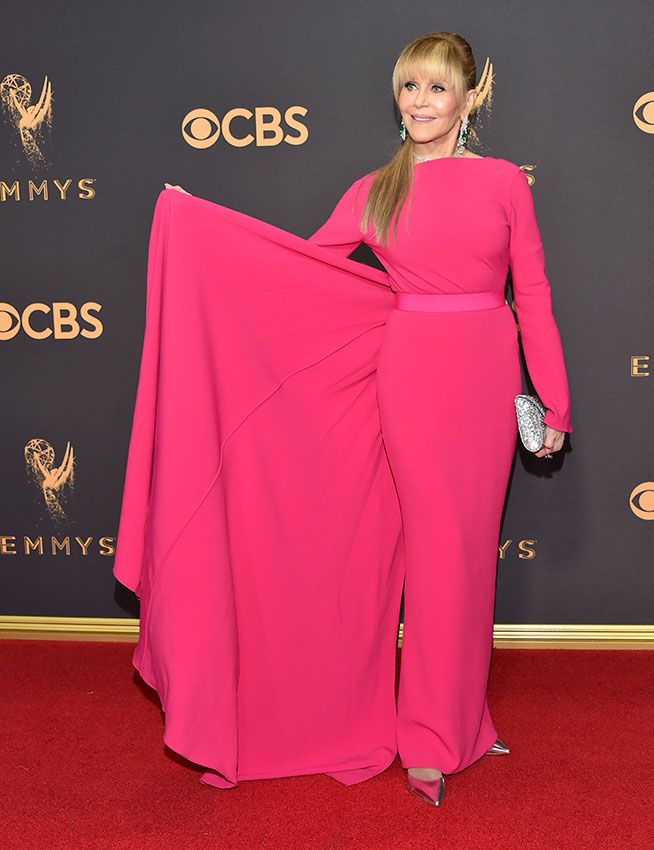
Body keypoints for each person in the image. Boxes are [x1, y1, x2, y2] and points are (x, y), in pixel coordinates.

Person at [124, 30, 572, 809]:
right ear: (397, 101)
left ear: (470, 99)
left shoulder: (504, 183)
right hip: (412, 375)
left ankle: (463, 719)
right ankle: (430, 740)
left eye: (437, 88)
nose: (422, 103)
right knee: (438, 550)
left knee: (466, 555)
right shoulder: (377, 189)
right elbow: (295, 268)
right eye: (409, 88)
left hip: (487, 374)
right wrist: (202, 230)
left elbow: (531, 292)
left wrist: (555, 399)